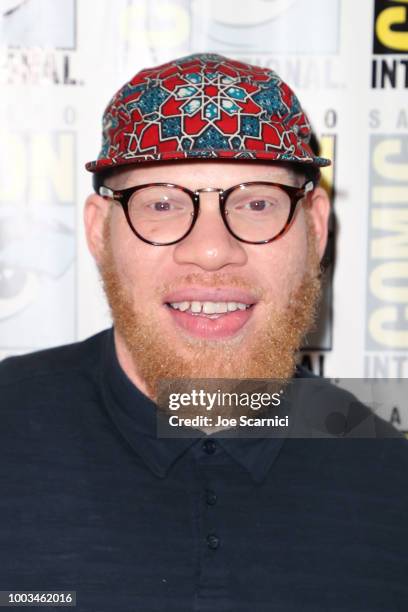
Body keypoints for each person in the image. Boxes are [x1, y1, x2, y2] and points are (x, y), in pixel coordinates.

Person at [1, 53, 407, 611]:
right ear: (100, 232)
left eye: (258, 203)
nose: (213, 251)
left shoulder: (391, 483)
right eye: (162, 204)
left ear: (315, 226)